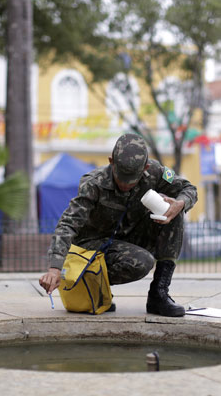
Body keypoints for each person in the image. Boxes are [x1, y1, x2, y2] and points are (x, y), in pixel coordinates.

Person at [39, 133, 198, 317]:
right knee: (142, 262)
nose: (125, 185)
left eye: (132, 179)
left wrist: (180, 203)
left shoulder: (156, 172)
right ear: (111, 162)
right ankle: (97, 288)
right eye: (121, 177)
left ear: (145, 167)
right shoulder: (94, 183)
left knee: (175, 211)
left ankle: (159, 294)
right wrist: (55, 268)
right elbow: (68, 223)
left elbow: (189, 189)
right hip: (95, 246)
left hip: (131, 237)